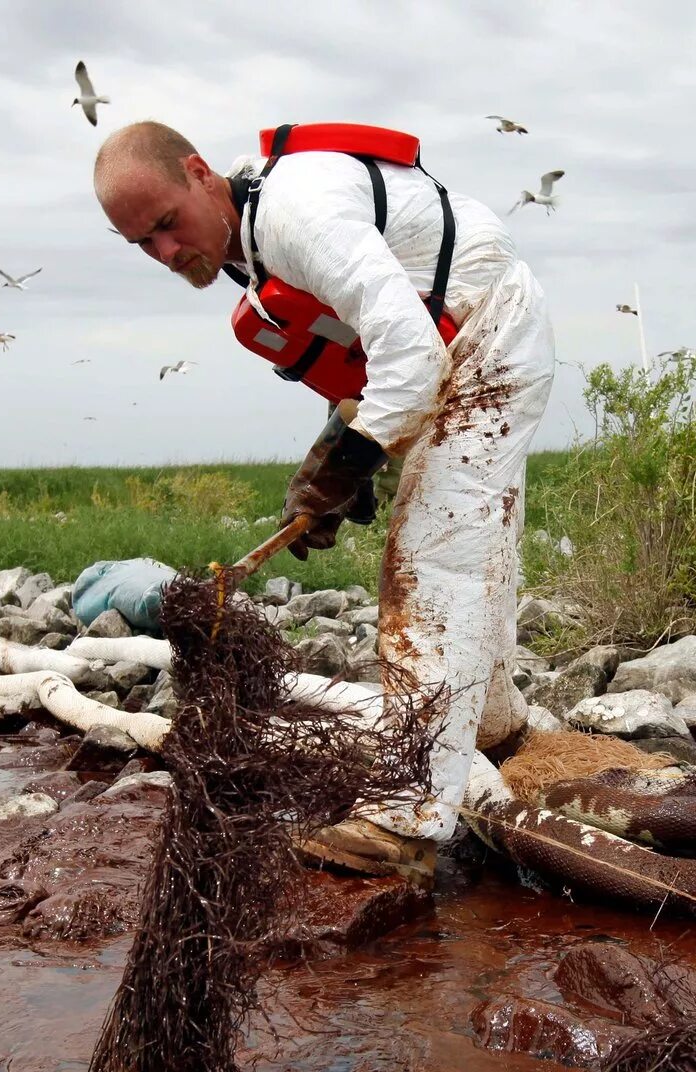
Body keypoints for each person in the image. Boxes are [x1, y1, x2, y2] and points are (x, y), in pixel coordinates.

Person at [92, 120, 554, 881]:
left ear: (201, 174)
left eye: (168, 224)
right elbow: (368, 356)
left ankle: (404, 821)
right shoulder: (253, 250)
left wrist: (349, 461)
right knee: (476, 543)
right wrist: (339, 455)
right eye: (143, 244)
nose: (166, 253)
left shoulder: (294, 216)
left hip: (489, 330)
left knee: (434, 561)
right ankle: (495, 725)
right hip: (461, 337)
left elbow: (410, 351)